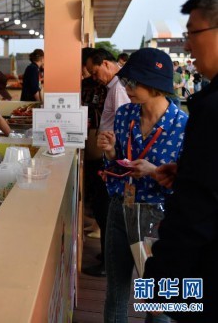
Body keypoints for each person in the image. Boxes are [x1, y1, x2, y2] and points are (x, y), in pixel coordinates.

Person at [97, 48, 188, 323]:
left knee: (157, 300)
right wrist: (111, 152)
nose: (128, 87)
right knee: (116, 292)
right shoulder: (125, 114)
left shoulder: (184, 125)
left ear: (156, 85)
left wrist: (154, 171)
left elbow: (189, 184)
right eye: (127, 81)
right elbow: (115, 166)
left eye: (134, 82)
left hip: (159, 218)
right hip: (120, 209)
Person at [145, 0, 218, 323]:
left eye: (193, 33)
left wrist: (159, 278)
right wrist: (188, 169)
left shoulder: (210, 108)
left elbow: (197, 209)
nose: (188, 45)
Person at [80, 47, 110, 278]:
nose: (93, 76)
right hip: (101, 149)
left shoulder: (115, 90)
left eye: (94, 71)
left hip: (106, 154)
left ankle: (109, 259)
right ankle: (108, 254)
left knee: (104, 206)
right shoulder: (97, 85)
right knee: (100, 204)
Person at [86, 48, 131, 132]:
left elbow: (123, 123)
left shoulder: (119, 87)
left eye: (95, 73)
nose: (94, 78)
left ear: (106, 64)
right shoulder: (114, 85)